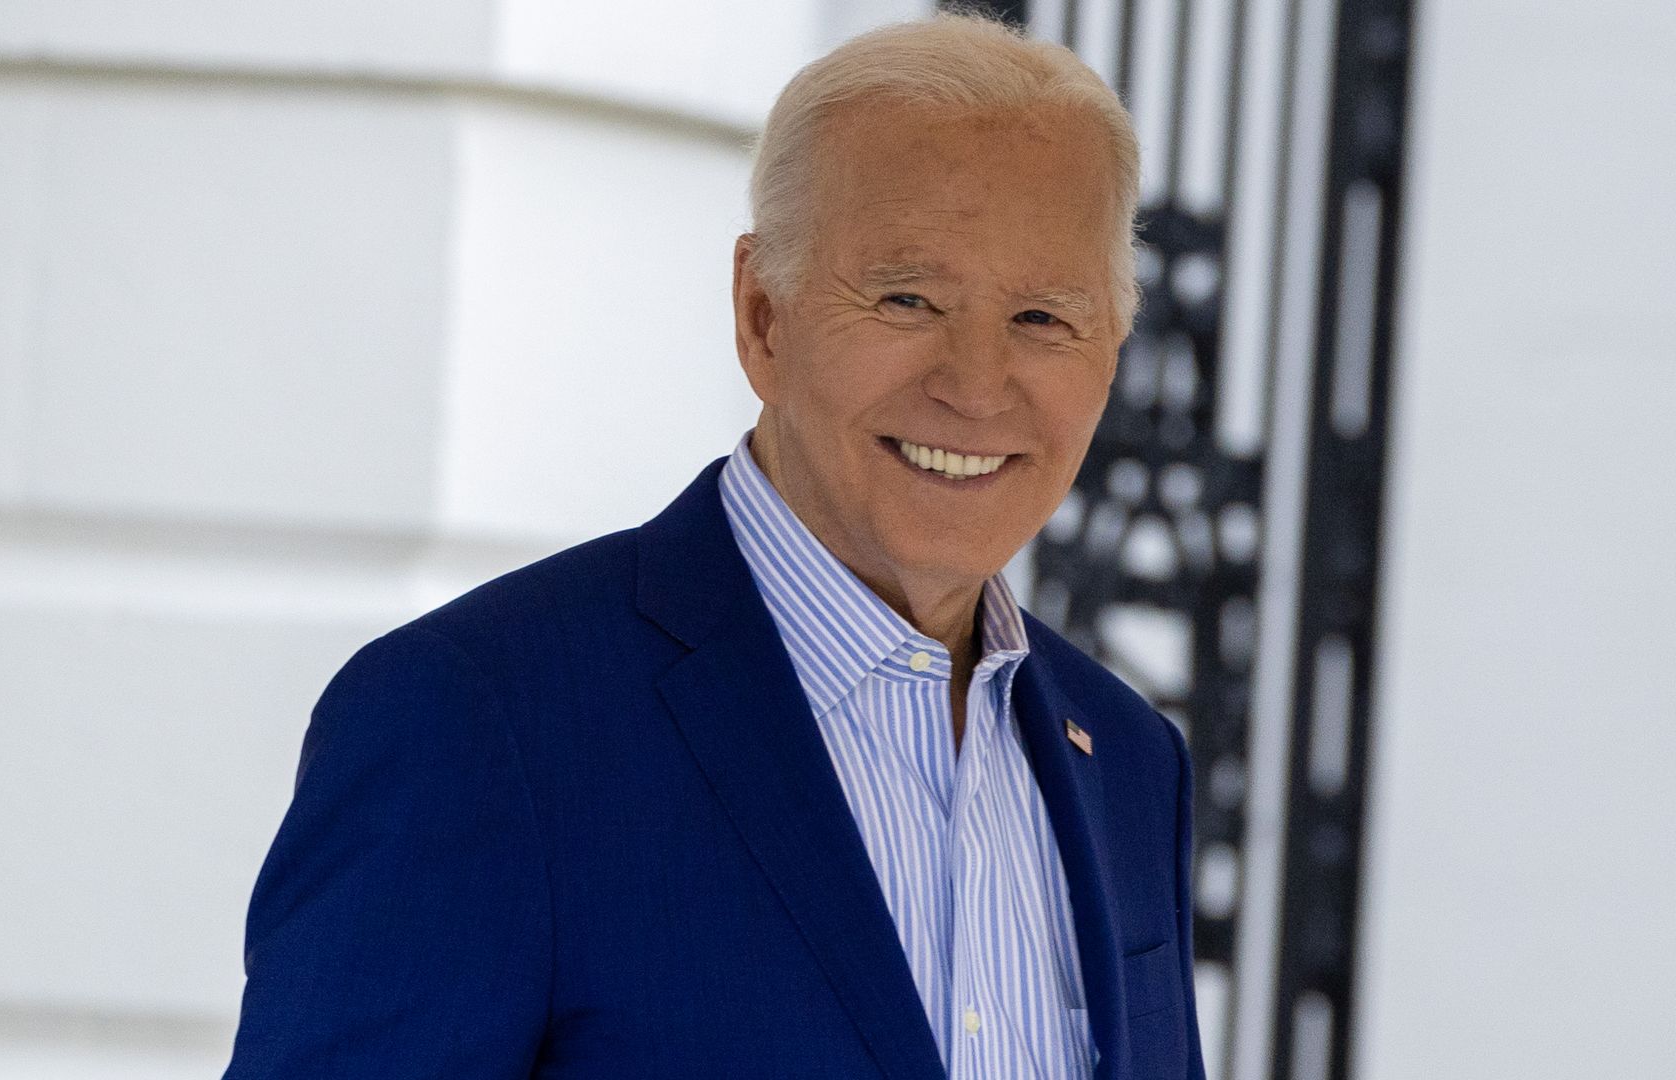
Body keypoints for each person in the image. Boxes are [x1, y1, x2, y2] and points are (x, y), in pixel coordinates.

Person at [223, 12, 1201, 1080]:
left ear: (1112, 352)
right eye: (907, 298)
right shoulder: (481, 721)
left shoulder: (1128, 764)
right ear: (762, 316)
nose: (975, 384)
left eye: (1043, 319)